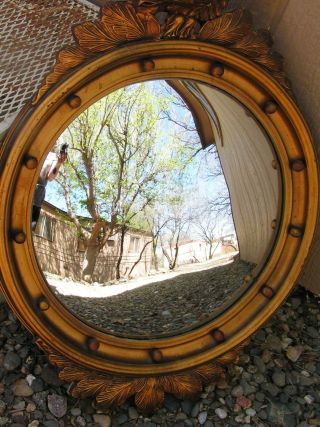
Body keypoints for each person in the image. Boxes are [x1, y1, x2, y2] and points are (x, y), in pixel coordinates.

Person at [31, 147, 67, 231]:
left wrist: (59, 163)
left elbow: (50, 177)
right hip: (21, 187)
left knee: (29, 224)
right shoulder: (32, 146)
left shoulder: (53, 156)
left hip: (37, 194)